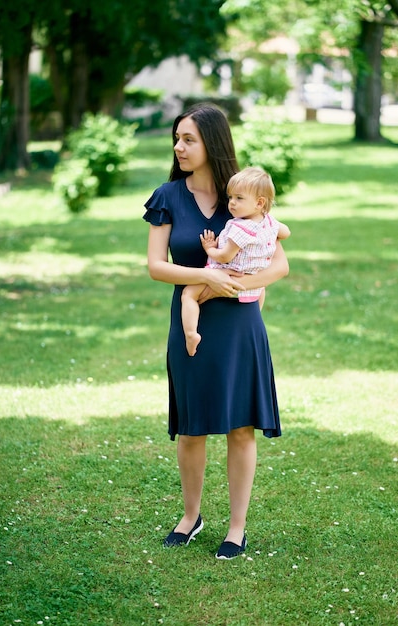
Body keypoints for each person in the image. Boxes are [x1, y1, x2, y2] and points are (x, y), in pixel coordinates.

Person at [143, 103, 289, 560]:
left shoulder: (244, 196)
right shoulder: (168, 195)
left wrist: (240, 285)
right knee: (192, 428)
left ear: (213, 143)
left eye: (189, 139)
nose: (178, 147)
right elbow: (155, 266)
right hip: (191, 322)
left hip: (240, 324)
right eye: (177, 138)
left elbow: (280, 264)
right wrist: (207, 278)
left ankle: (237, 528)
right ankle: (191, 517)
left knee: (241, 429)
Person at [181, 166, 291, 356]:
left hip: (228, 272)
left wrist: (210, 249)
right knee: (260, 292)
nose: (231, 203)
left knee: (188, 294)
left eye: (239, 198)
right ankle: (254, 320)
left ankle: (191, 334)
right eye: (230, 197)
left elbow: (225, 256)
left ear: (259, 203)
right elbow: (286, 232)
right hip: (254, 280)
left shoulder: (240, 228)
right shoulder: (270, 222)